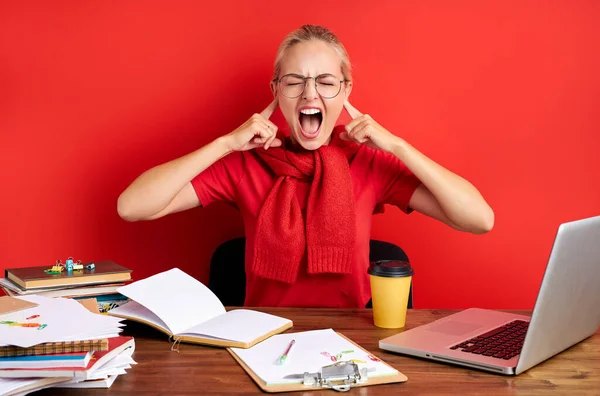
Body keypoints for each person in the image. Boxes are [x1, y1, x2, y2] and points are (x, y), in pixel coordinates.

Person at [117, 25, 494, 308]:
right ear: (276, 91)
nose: (310, 94)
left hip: (352, 345)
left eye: (326, 82)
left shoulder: (367, 160)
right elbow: (132, 207)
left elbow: (479, 219)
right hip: (264, 338)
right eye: (295, 82)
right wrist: (224, 144)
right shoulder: (246, 162)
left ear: (346, 90)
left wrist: (397, 145)